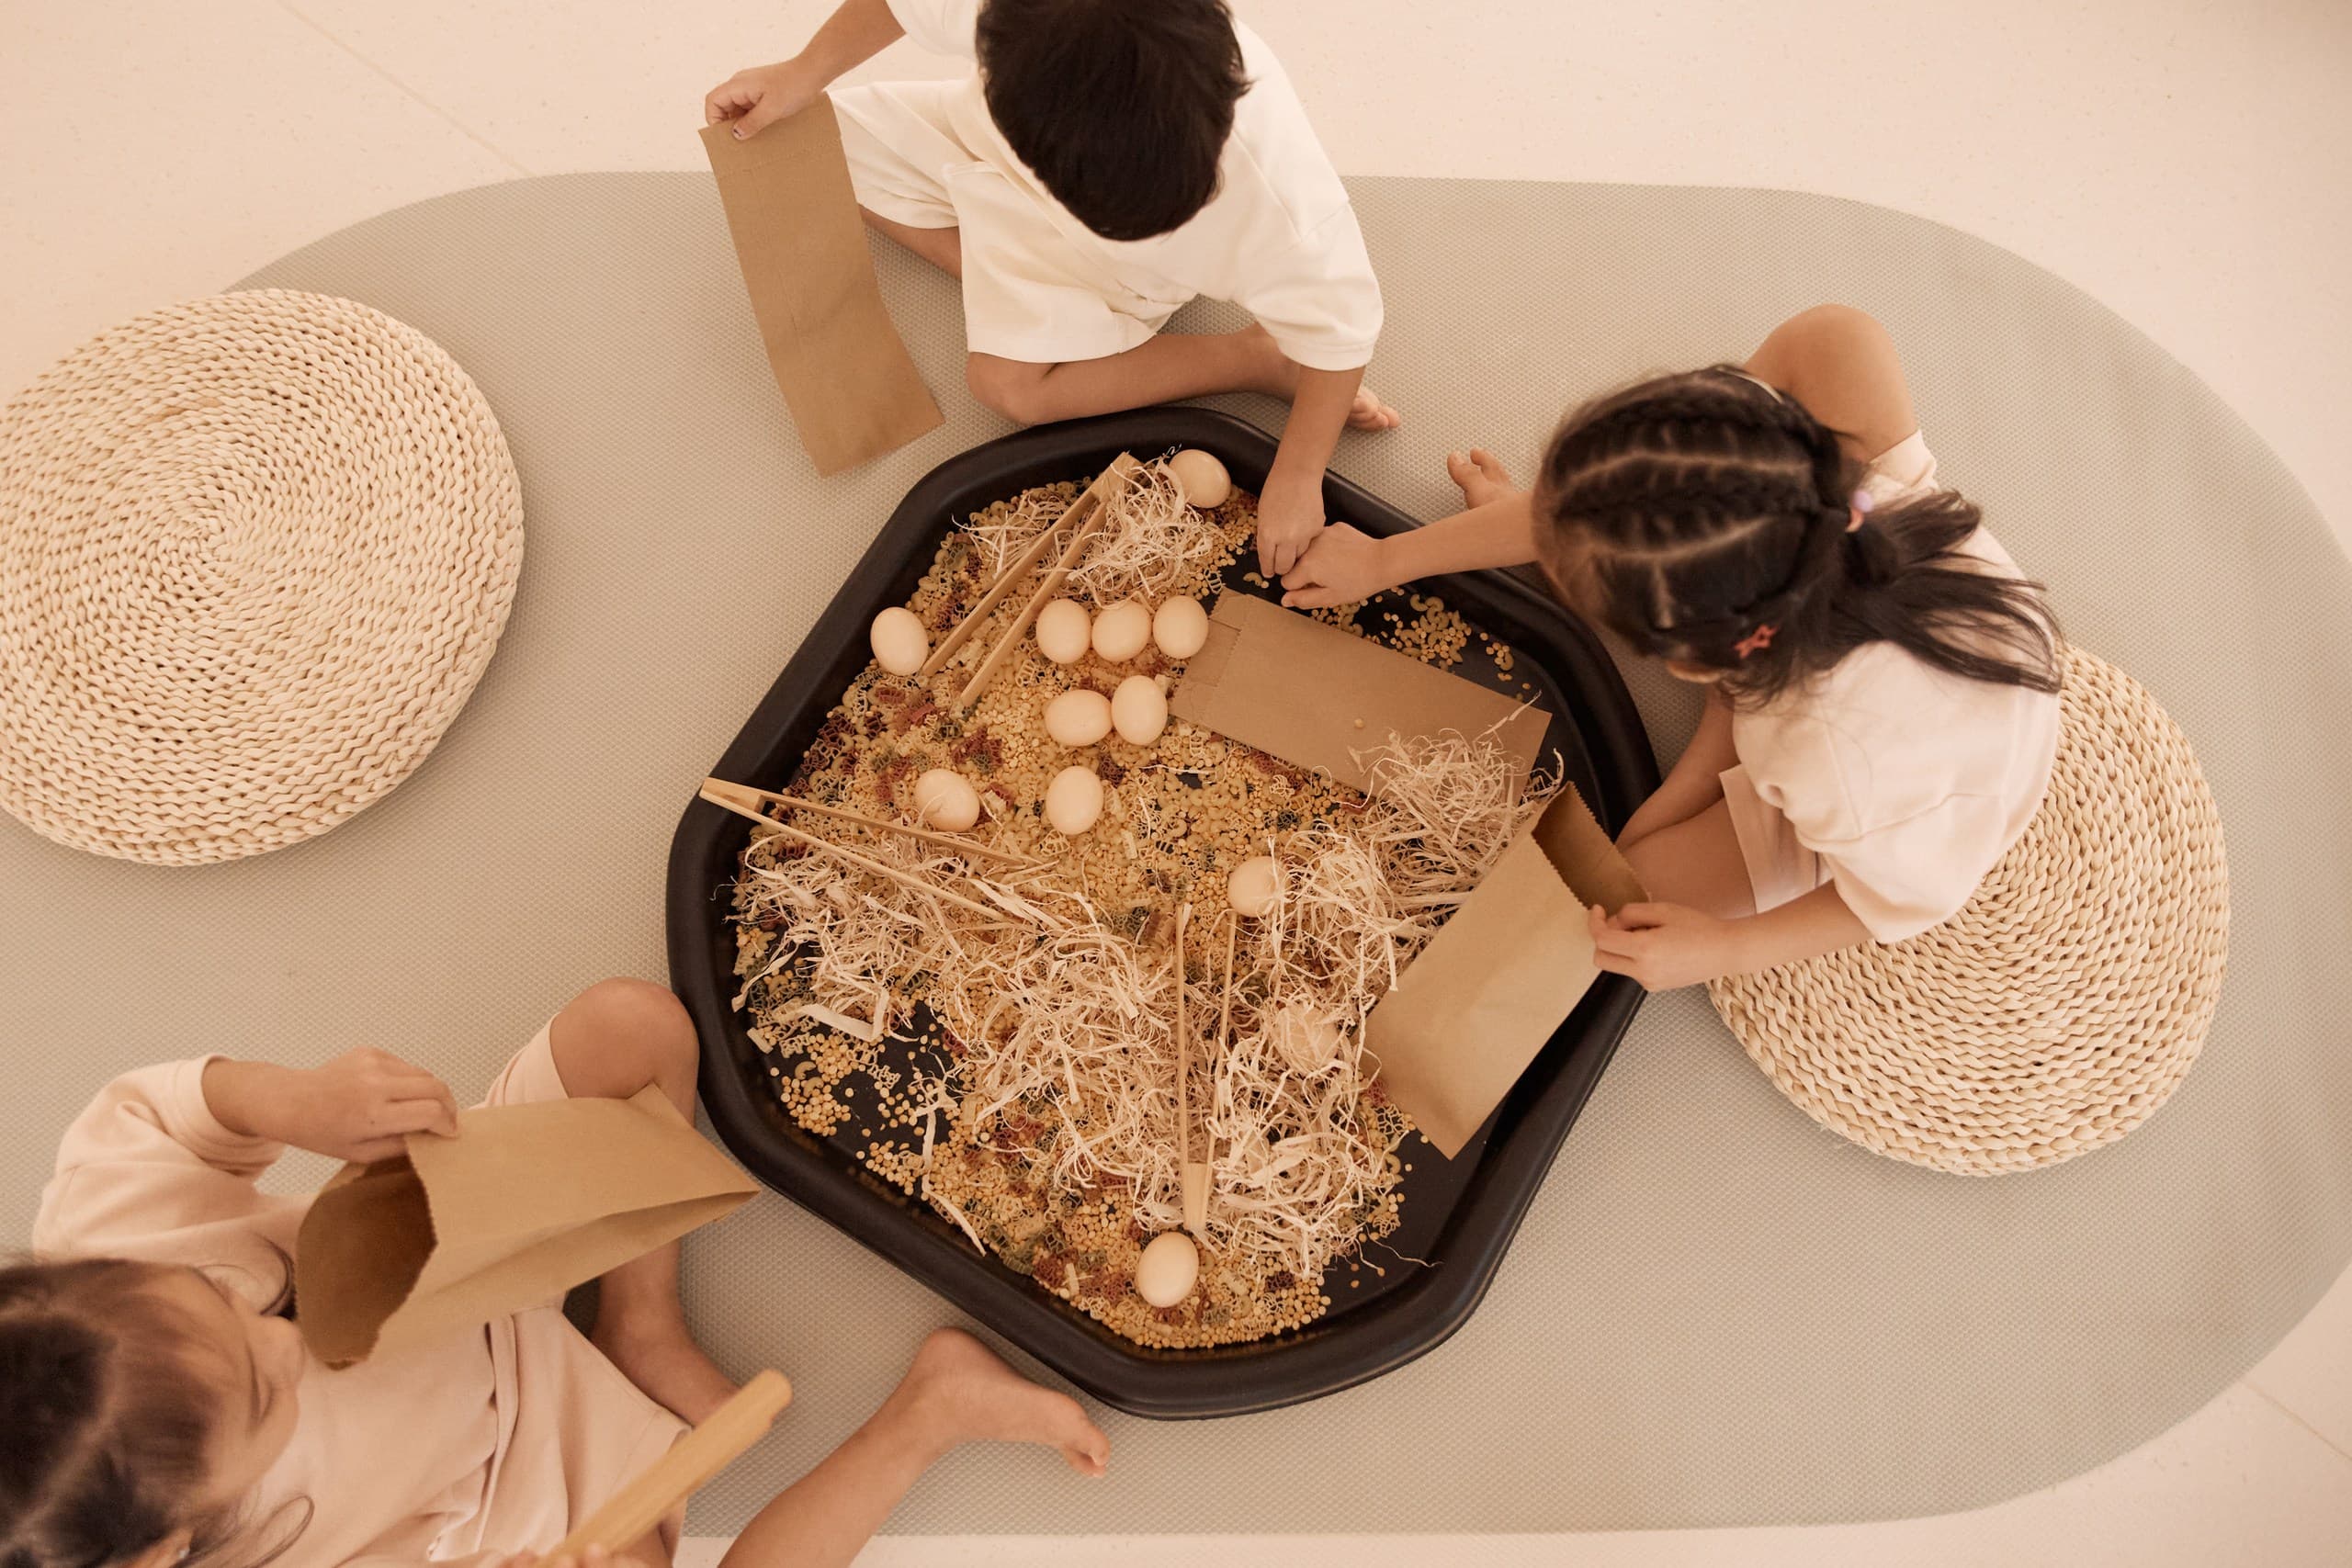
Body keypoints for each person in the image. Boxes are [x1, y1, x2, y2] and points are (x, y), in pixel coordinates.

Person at [4, 978, 1106, 1568]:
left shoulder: (105, 1251)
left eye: (224, 1304)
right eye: (262, 1391)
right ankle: (926, 1413)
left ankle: (641, 1319)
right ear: (165, 1549)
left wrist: (296, 1102)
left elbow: (160, 1117)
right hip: (516, 1494)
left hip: (454, 1256)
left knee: (633, 1028)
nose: (288, 1339)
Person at [1280, 304, 2064, 989]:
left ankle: (1706, 717)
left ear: (1697, 665)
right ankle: (1643, 587)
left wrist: (1722, 949)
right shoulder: (1838, 498)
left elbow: (1898, 902)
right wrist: (1389, 559)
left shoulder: (1836, 765)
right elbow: (1620, 514)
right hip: (1865, 611)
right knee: (1833, 340)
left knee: (1623, 893)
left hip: (1921, 798)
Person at [705, 0, 1399, 578]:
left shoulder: (1283, 205)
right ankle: (1034, 291)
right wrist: (799, 74)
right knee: (812, 144)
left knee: (1008, 385)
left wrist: (1300, 470)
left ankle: (1256, 357)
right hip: (995, 148)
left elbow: (1345, 330)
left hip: (1123, 267)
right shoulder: (1031, 18)